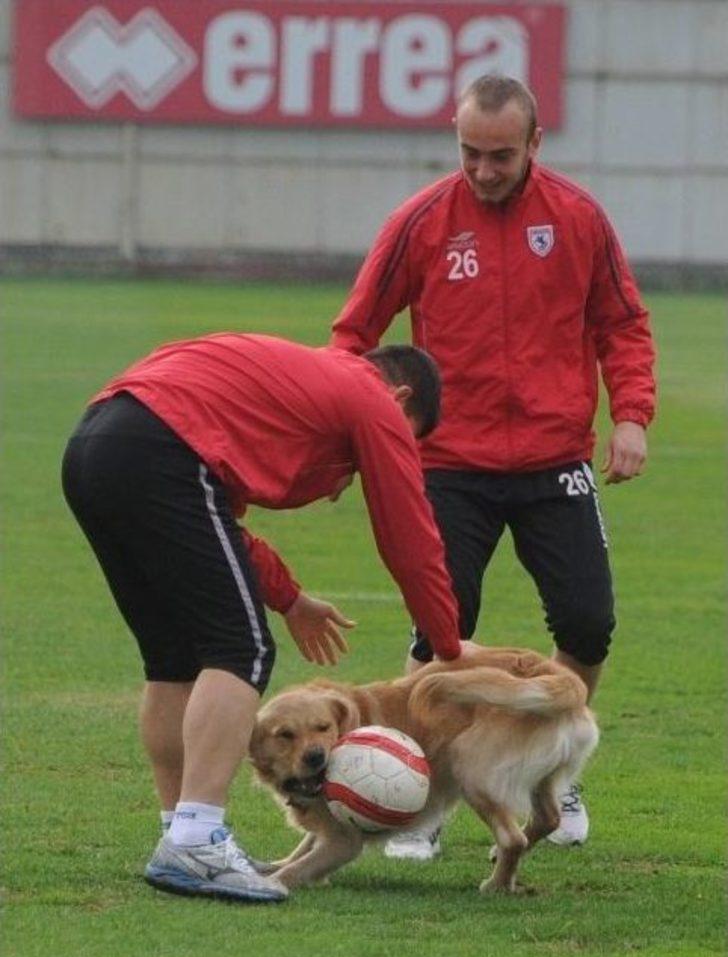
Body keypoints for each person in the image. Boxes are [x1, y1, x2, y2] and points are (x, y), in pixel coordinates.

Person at [331, 74, 656, 858]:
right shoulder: (421, 222)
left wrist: (632, 415)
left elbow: (622, 323)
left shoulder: (578, 218)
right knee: (441, 629)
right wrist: (341, 436)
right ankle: (419, 792)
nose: (483, 169)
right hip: (448, 463)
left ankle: (552, 774)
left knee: (587, 623)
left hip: (556, 459)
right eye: (469, 152)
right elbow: (354, 334)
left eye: (500, 155)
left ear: (535, 143)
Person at [62, 332, 471, 903]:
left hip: (94, 444)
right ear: (399, 399)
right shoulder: (370, 397)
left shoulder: (302, 382)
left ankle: (180, 834)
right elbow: (409, 536)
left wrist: (291, 599)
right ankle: (197, 839)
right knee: (241, 649)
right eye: (406, 438)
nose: (367, 463)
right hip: (161, 448)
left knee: (173, 660)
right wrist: (447, 647)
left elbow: (217, 525)